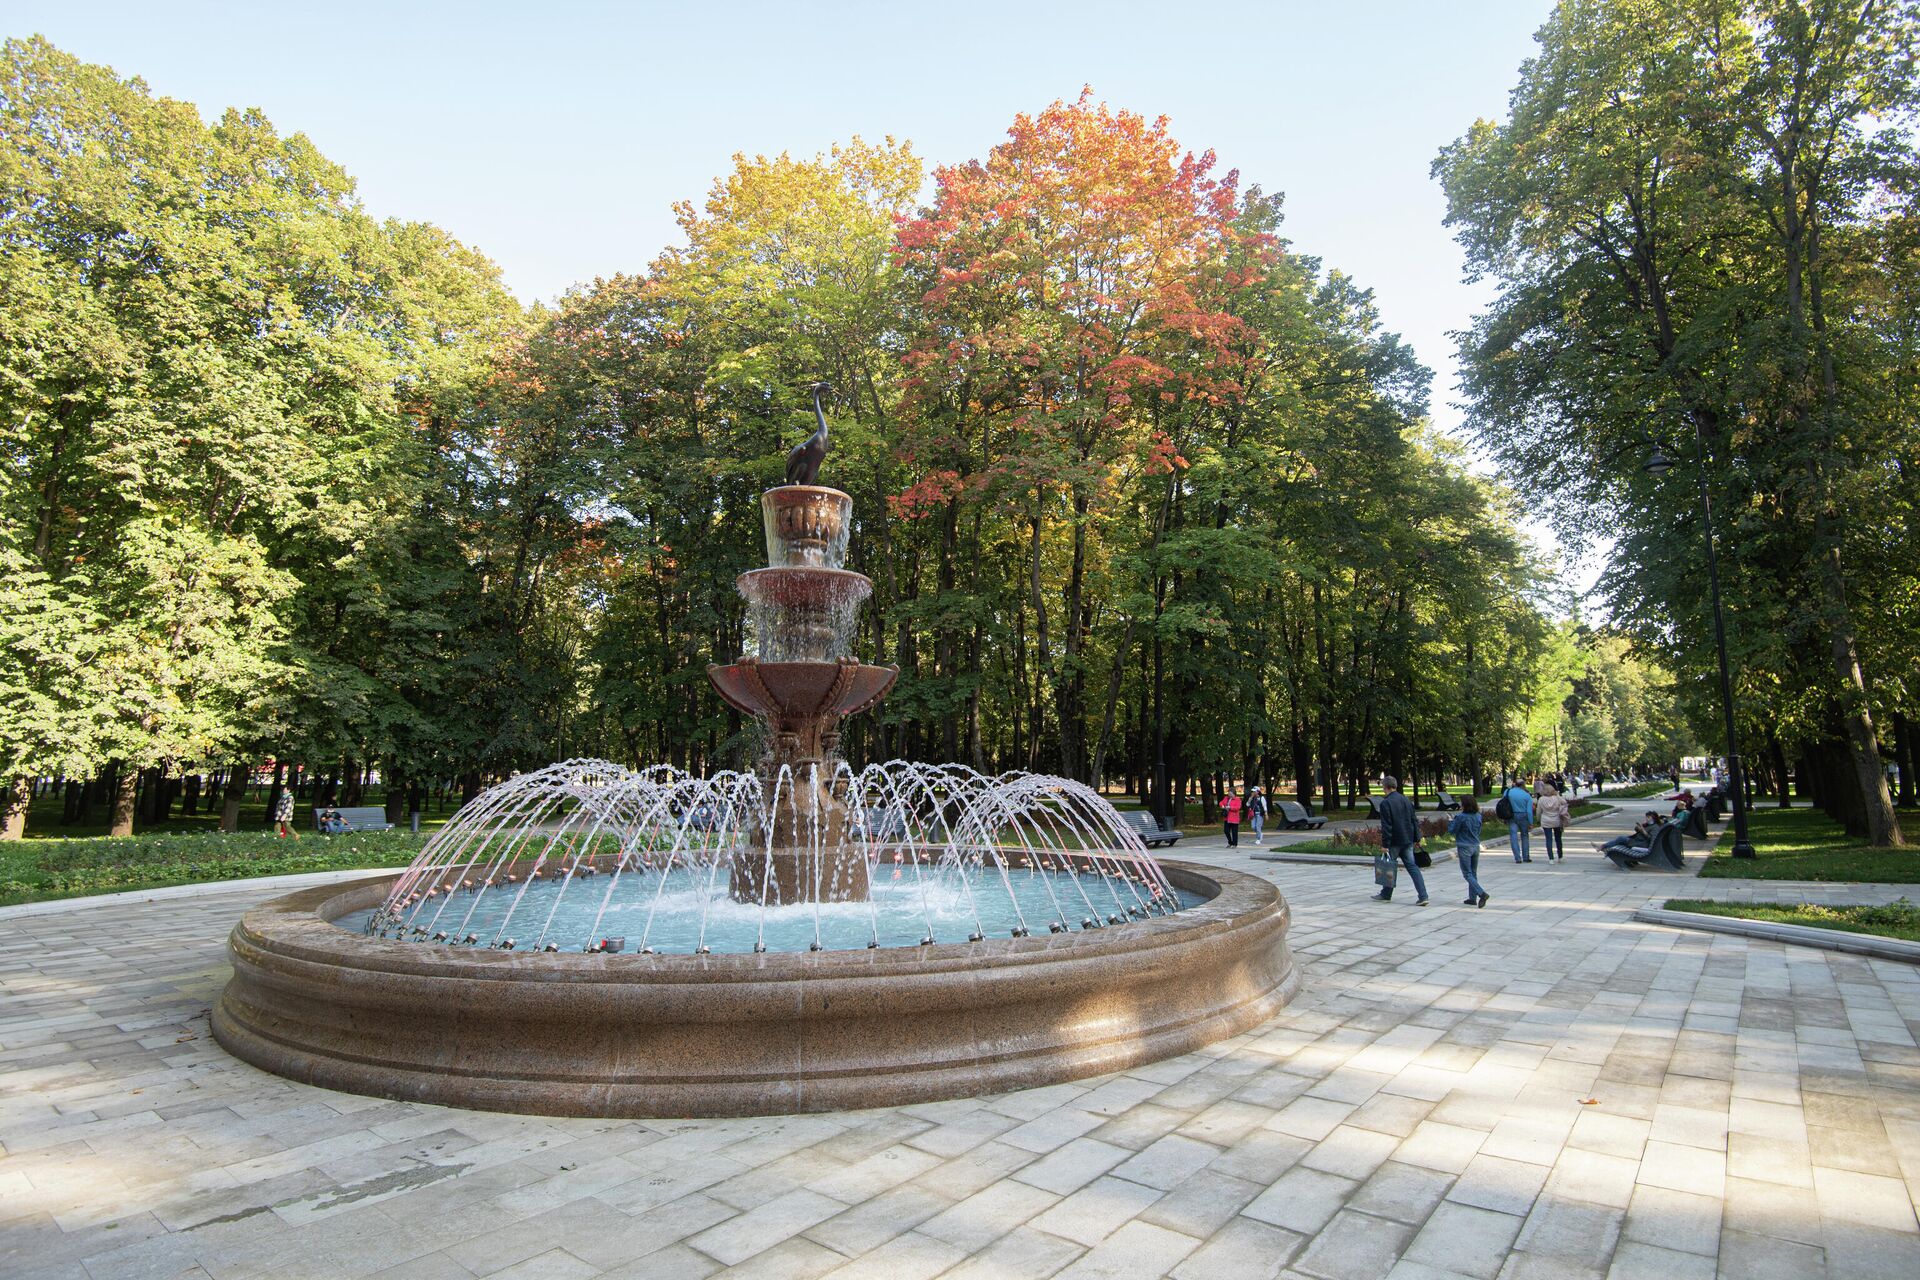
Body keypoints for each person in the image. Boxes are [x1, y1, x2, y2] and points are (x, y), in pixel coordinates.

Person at [1370, 775, 1430, 905]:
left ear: (1384, 787)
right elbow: (1413, 820)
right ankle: (1423, 895)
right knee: (1413, 867)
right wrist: (1417, 837)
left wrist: (1385, 844)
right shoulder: (1405, 800)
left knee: (1389, 866)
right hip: (1407, 840)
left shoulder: (1386, 803)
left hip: (1394, 842)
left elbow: (1387, 826)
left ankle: (1386, 894)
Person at [1450, 797, 1489, 907]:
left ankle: (1481, 893)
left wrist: (1451, 821)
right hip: (1475, 846)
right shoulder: (1478, 816)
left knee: (1467, 873)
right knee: (1473, 872)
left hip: (1464, 846)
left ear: (1465, 805)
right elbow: (1479, 831)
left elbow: (1452, 830)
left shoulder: (1461, 817)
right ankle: (1472, 898)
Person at [1501, 778, 1534, 863]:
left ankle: (1517, 858)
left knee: (1513, 836)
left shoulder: (1507, 792)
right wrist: (1530, 822)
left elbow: (1503, 805)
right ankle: (1526, 856)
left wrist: (1504, 817)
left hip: (1511, 816)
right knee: (1524, 835)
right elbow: (1529, 811)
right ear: (1523, 785)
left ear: (1515, 784)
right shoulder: (1526, 795)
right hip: (1523, 815)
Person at [1536, 782, 1570, 861]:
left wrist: (1538, 820)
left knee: (1548, 839)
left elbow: (1538, 811)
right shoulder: (1556, 798)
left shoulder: (1541, 799)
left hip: (1546, 821)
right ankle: (1560, 856)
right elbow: (1564, 802)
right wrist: (1557, 794)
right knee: (1558, 839)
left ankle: (1551, 858)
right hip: (1557, 820)